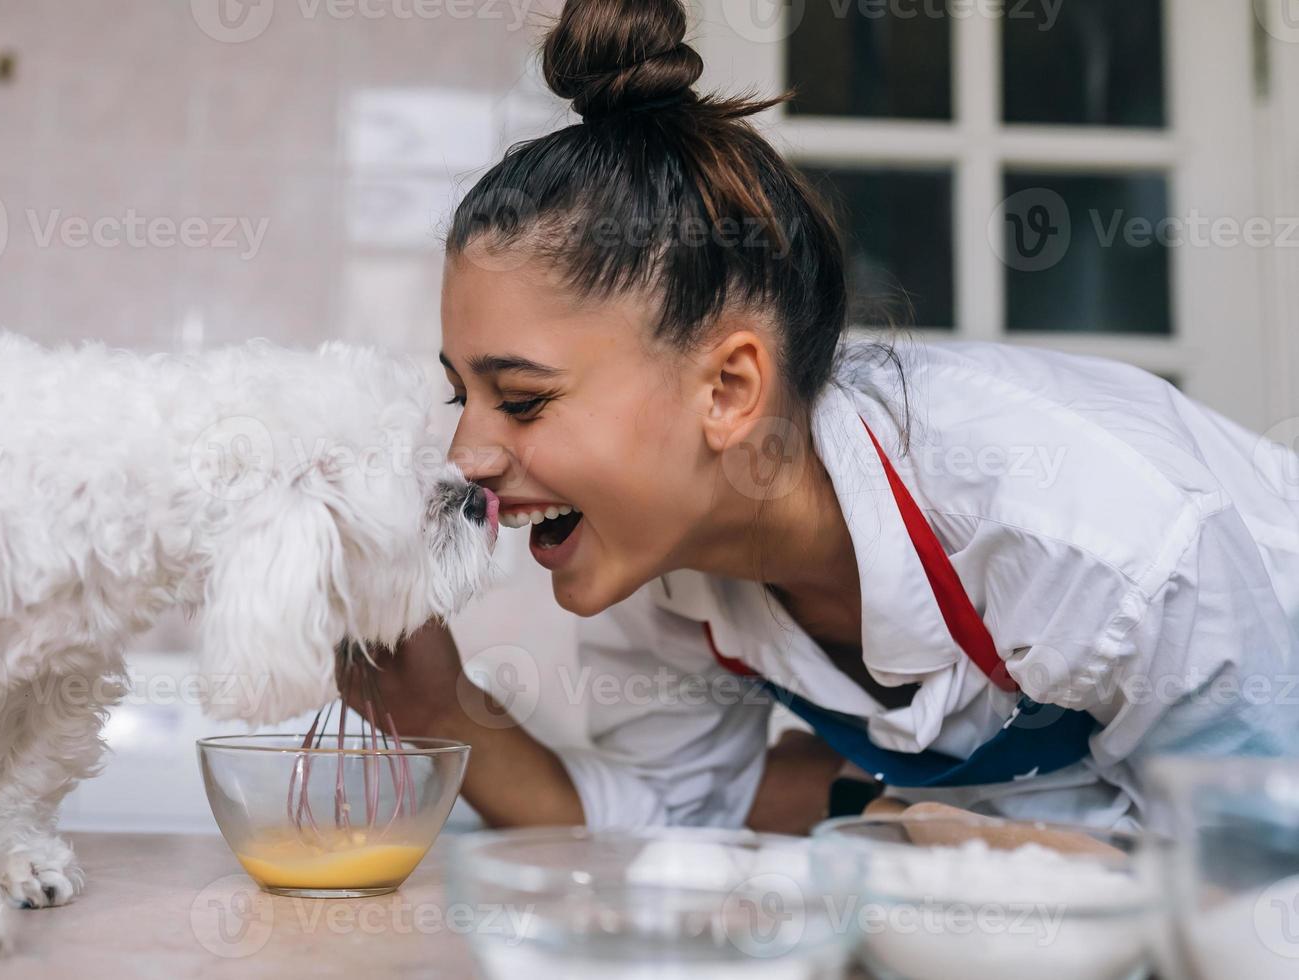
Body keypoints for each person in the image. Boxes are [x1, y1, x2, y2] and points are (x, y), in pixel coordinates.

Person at [364, 0, 1299, 834]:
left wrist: (939, 826)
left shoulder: (1093, 535)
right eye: (463, 394)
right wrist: (441, 712)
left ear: (729, 389)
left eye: (522, 399)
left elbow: (1247, 866)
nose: (466, 454)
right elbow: (656, 825)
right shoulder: (663, 572)